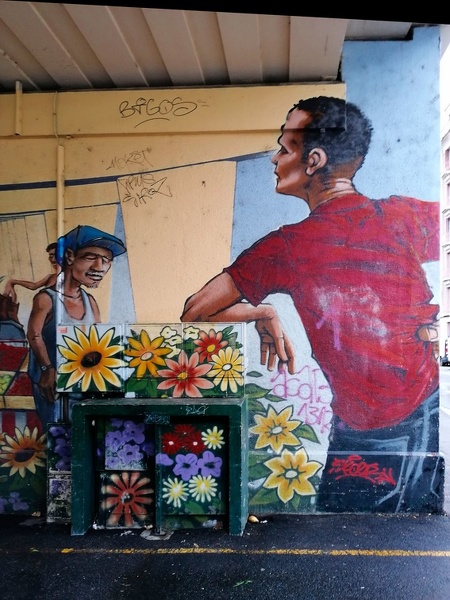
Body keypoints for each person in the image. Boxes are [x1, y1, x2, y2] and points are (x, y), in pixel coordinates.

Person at [181, 96, 441, 512]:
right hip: (416, 416)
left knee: (349, 542)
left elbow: (197, 309)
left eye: (284, 148)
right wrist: (265, 312)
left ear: (314, 160)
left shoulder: (287, 246)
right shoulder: (402, 216)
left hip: (369, 432)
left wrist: (259, 311)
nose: (274, 158)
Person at [27, 225, 127, 429]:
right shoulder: (46, 298)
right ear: (70, 256)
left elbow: (97, 340)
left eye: (106, 260)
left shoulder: (89, 301)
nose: (100, 267)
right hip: (51, 384)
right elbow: (34, 334)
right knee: (56, 434)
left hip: (82, 383)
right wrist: (47, 369)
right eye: (91, 257)